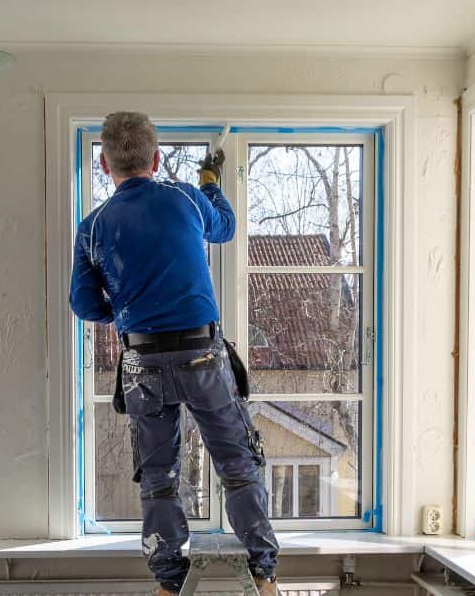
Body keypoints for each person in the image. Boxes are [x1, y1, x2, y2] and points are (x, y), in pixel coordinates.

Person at [70, 112, 279, 595]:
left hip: (142, 364)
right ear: (156, 157)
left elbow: (83, 304)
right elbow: (223, 227)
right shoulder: (184, 196)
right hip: (201, 356)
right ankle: (264, 576)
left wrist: (126, 309)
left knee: (159, 478)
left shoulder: (93, 226)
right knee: (237, 466)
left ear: (105, 164)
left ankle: (168, 585)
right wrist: (210, 183)